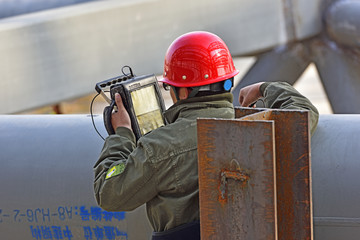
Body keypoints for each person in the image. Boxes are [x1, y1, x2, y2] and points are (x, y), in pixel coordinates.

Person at [93, 31, 319, 240]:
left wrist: (122, 134)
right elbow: (303, 113)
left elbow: (109, 193)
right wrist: (264, 88)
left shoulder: (161, 146)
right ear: (228, 82)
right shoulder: (260, 128)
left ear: (181, 91)